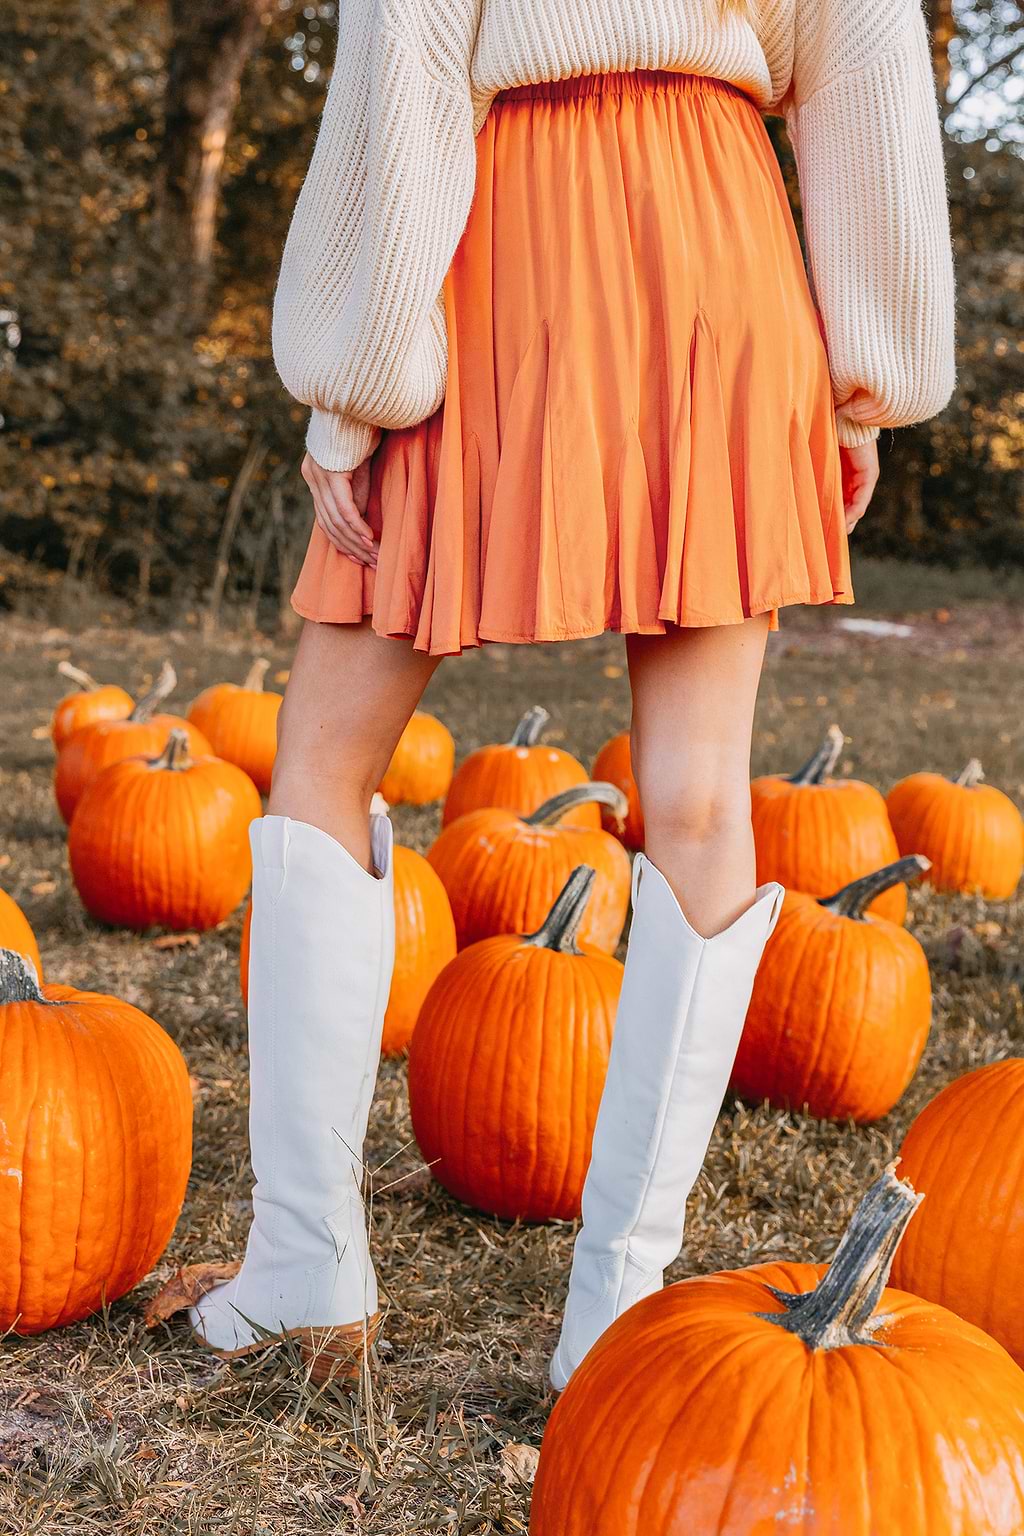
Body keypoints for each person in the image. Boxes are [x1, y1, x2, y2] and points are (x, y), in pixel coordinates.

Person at [189, 0, 955, 1390]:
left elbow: (404, 66)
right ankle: (615, 1310)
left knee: (322, 758)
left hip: (507, 244)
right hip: (730, 257)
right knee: (701, 800)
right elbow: (871, 76)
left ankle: (307, 1266)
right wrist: (864, 388)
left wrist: (349, 391)